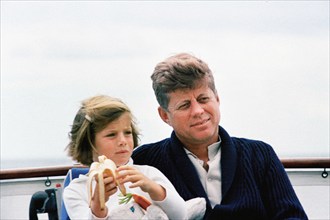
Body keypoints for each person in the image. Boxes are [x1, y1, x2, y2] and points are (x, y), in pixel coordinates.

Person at [132, 53, 308, 220]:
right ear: (164, 116)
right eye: (185, 105)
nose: (198, 111)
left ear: (217, 99)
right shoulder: (145, 162)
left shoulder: (260, 155)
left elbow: (293, 216)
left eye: (203, 99)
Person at [63, 95, 191, 219]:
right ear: (89, 143)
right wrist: (98, 205)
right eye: (111, 134)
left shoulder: (148, 173)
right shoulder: (76, 190)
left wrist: (155, 189)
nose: (123, 141)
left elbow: (181, 215)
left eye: (127, 133)